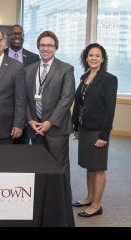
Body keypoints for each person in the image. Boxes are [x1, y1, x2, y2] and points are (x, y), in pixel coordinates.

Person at [25, 31, 75, 197]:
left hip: (56, 128)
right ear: (38, 47)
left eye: (49, 45)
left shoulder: (66, 69)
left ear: (55, 48)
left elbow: (67, 99)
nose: (46, 48)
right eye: (43, 45)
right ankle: (42, 198)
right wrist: (30, 119)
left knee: (59, 166)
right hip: (36, 127)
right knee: (38, 165)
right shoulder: (29, 70)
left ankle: (62, 200)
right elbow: (24, 98)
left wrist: (49, 122)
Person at [71, 43, 117, 217]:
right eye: (91, 55)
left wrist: (104, 135)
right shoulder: (84, 77)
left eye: (97, 55)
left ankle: (96, 205)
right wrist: (76, 126)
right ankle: (89, 197)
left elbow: (110, 110)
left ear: (102, 59)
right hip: (85, 128)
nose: (94, 58)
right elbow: (79, 104)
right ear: (86, 57)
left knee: (98, 167)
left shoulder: (108, 79)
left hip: (98, 131)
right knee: (89, 166)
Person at [4, 24, 39, 144]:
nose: (17, 36)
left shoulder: (34, 58)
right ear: (8, 37)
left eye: (20, 34)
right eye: (14, 33)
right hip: (3, 110)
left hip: (25, 111)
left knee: (21, 149)